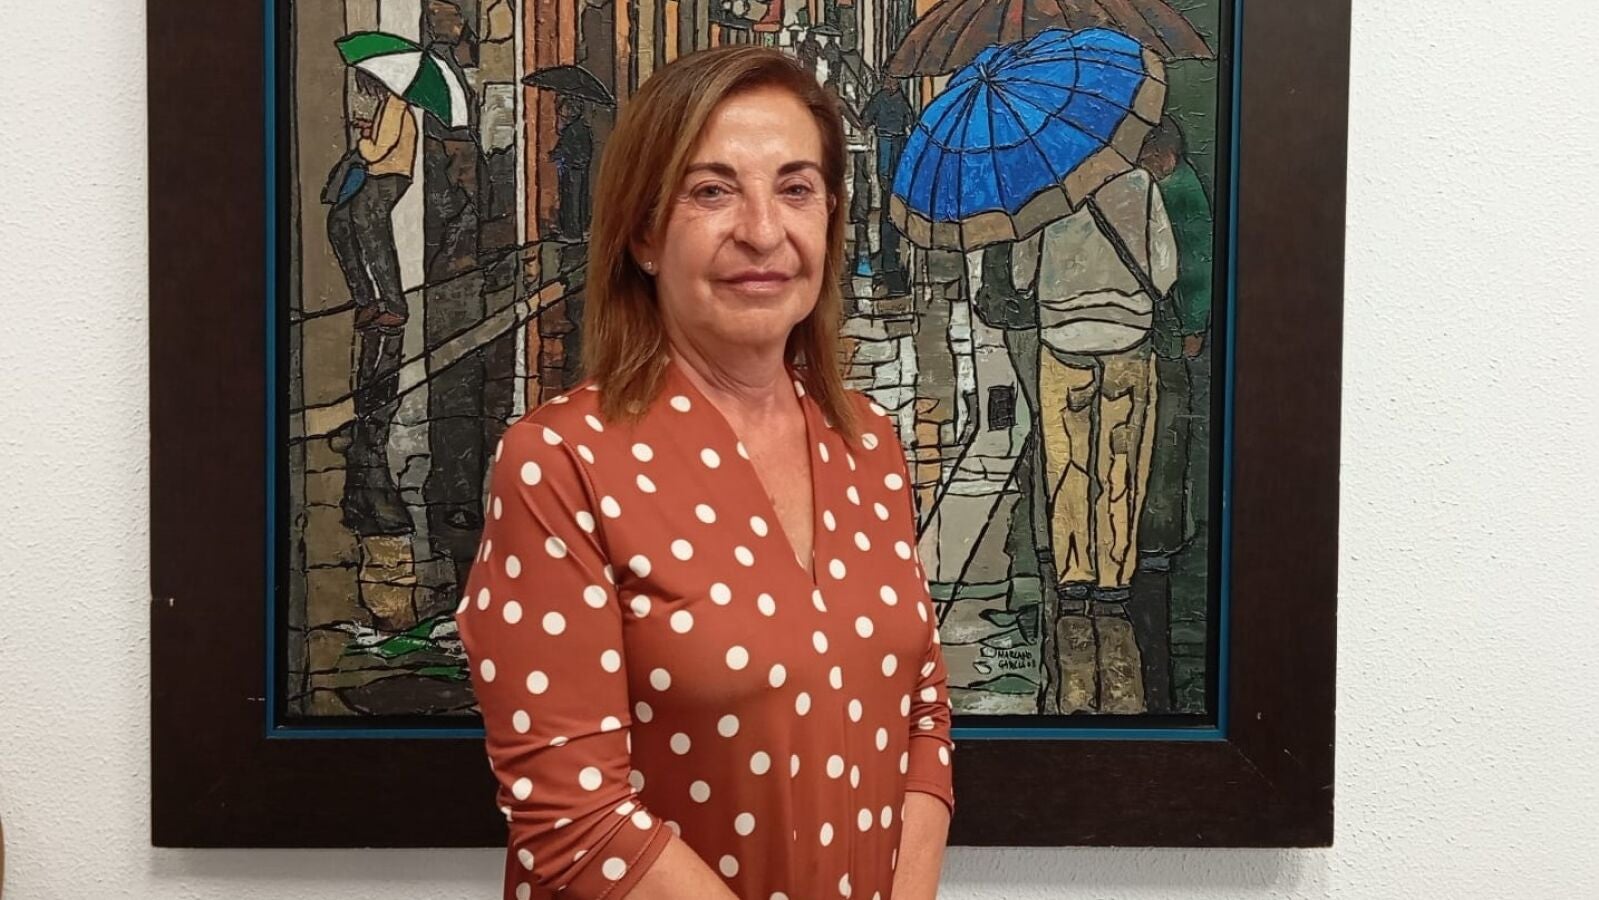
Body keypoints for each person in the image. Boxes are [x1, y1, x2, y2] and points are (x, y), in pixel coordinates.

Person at [454, 46, 955, 900]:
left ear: (830, 217)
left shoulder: (868, 442)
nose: (762, 230)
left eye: (795, 189)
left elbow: (921, 715)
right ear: (645, 234)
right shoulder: (560, 462)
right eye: (712, 191)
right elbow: (574, 817)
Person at [1019, 124, 1179, 714]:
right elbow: (1165, 271)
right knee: (1122, 463)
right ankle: (1114, 580)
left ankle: (1074, 578)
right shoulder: (1140, 185)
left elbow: (1021, 276)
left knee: (1066, 464)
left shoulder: (1042, 193)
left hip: (1061, 341)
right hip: (1129, 341)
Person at [327, 70, 416, 333]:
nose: (366, 90)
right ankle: (366, 299)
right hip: (379, 175)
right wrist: (369, 128)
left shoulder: (395, 105)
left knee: (371, 234)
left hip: (387, 176)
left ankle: (394, 307)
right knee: (340, 224)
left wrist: (364, 141)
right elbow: (385, 139)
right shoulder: (388, 104)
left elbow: (376, 151)